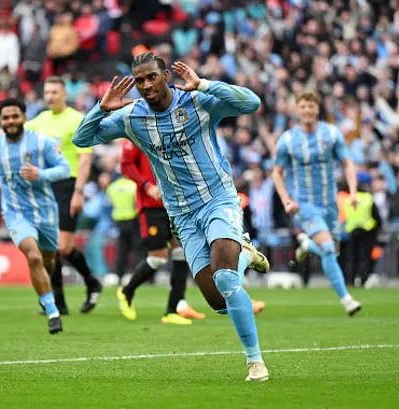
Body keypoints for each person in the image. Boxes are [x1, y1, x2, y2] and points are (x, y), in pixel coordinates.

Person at [73, 52, 270, 381]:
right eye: (140, 81)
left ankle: (255, 361)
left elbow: (251, 103)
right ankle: (245, 253)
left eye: (152, 77)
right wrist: (101, 108)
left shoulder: (198, 102)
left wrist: (205, 84)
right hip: (182, 214)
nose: (147, 85)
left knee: (225, 279)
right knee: (220, 302)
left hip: (218, 199)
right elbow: (82, 138)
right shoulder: (131, 116)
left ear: (165, 75)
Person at [120, 140, 268, 324]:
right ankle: (127, 291)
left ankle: (174, 308)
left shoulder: (173, 124)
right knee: (159, 257)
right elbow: (125, 165)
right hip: (152, 206)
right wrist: (147, 186)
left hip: (177, 203)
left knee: (182, 253)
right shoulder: (137, 125)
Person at [0, 98, 70, 334]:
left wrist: (41, 174)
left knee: (48, 260)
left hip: (46, 210)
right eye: (6, 118)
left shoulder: (41, 142)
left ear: (24, 117)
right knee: (34, 257)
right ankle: (53, 312)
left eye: (14, 116)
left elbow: (65, 170)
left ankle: (44, 292)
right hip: (15, 212)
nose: (10, 121)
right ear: (0, 121)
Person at [272, 91, 362, 317]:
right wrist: (287, 200)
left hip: (329, 204)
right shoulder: (288, 139)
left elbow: (348, 163)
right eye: (303, 107)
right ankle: (346, 299)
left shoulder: (332, 134)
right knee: (329, 249)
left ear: (317, 108)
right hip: (305, 205)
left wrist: (352, 192)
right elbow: (277, 173)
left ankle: (306, 245)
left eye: (311, 106)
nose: (307, 111)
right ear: (297, 110)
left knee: (332, 251)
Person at [25, 76, 102, 314]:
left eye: (54, 92)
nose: (50, 96)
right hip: (45, 186)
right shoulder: (39, 121)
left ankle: (92, 282)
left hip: (68, 185)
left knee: (63, 247)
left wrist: (79, 192)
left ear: (64, 94)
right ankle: (59, 302)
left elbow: (85, 158)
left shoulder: (77, 120)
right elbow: (15, 135)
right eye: (47, 92)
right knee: (51, 246)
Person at [343, 174, 382, 286]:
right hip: (367, 231)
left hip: (351, 231)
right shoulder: (368, 198)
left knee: (351, 258)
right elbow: (376, 217)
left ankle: (350, 280)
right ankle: (363, 279)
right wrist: (377, 228)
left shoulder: (349, 198)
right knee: (364, 258)